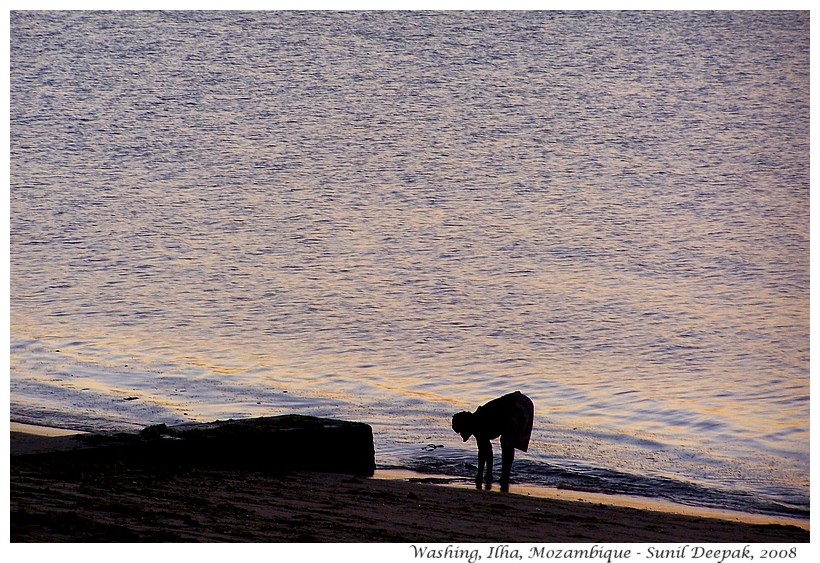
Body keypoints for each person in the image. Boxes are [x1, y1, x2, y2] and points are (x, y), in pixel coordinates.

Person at [452, 391, 534, 492]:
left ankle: (505, 477)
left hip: (519, 405)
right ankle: (504, 477)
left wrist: (483, 474)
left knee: (507, 442)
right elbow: (485, 451)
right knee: (506, 441)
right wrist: (485, 474)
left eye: (460, 431)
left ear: (465, 425)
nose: (461, 435)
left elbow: (485, 452)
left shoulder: (479, 422)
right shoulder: (476, 423)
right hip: (519, 402)